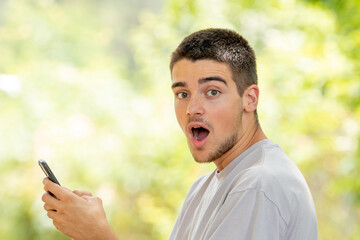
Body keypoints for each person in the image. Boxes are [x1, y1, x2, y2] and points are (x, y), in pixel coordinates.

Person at [42, 28, 318, 240]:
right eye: (182, 94)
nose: (192, 109)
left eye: (212, 92)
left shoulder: (259, 184)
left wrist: (98, 235)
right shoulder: (203, 189)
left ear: (250, 98)